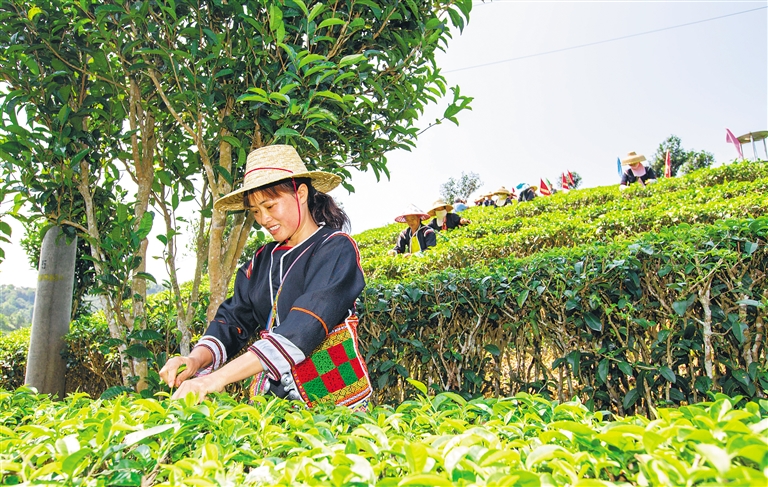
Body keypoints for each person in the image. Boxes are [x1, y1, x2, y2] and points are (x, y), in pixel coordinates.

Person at [159, 145, 370, 409]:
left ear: (301, 194)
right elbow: (231, 321)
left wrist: (214, 380)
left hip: (332, 400)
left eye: (270, 205)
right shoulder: (260, 262)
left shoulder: (336, 249)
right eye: (256, 211)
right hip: (275, 405)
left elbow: (302, 329)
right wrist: (195, 361)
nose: (263, 219)